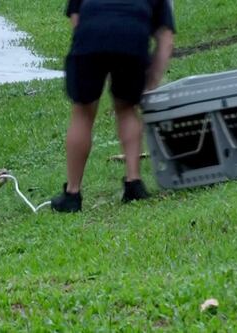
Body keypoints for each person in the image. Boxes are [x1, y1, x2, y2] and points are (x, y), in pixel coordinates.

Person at [51, 0, 175, 212]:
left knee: (83, 112)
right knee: (127, 108)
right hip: (132, 39)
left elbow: (76, 18)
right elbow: (166, 38)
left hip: (90, 37)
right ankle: (134, 183)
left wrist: (91, 46)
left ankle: (72, 194)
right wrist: (152, 80)